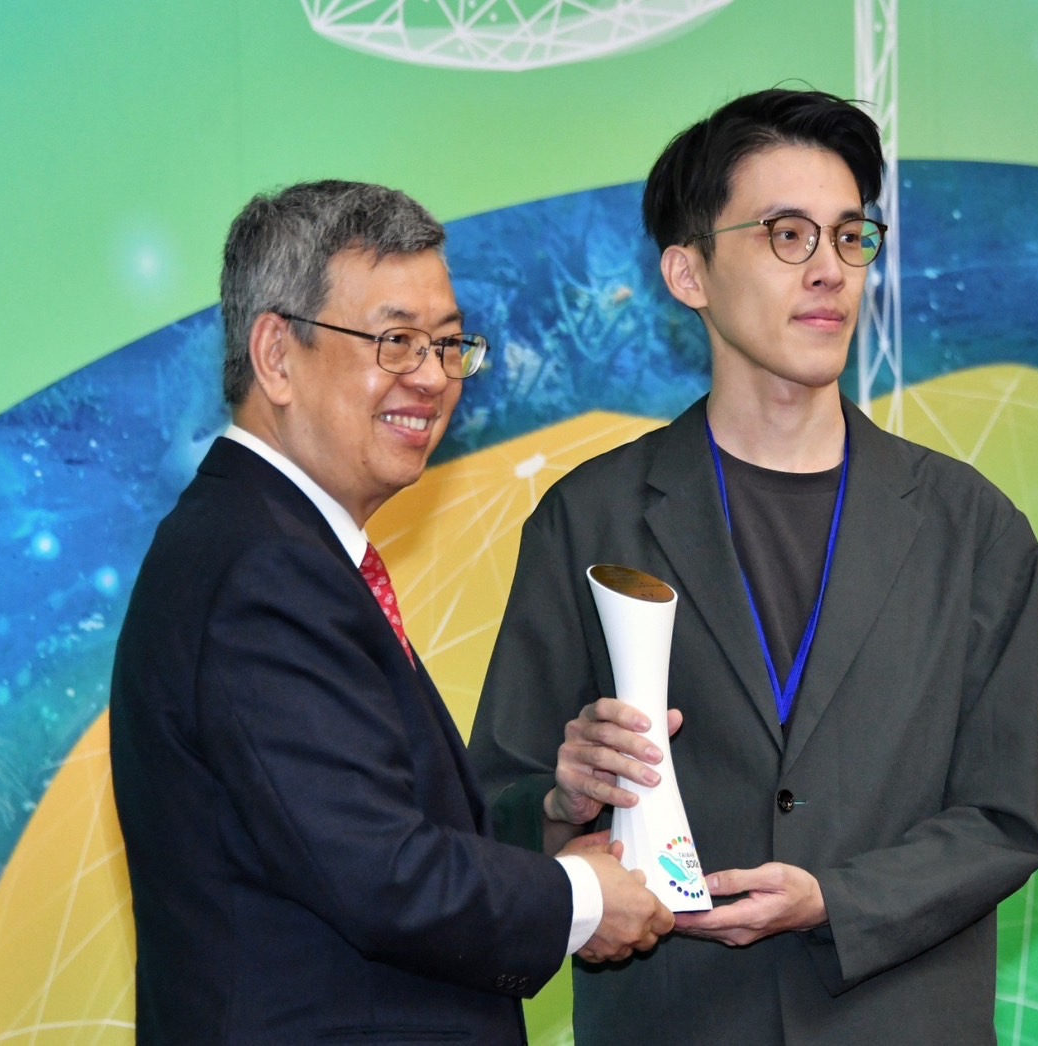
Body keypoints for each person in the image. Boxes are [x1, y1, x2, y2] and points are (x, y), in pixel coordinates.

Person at [468, 90, 1038, 1043]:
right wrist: (561, 803)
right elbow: (494, 808)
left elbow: (1005, 818)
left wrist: (837, 900)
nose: (829, 270)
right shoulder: (589, 517)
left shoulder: (973, 529)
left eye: (851, 237)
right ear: (688, 272)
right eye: (787, 235)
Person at [110, 180, 673, 1045]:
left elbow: (365, 825)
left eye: (448, 345)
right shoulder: (262, 569)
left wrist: (553, 815)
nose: (434, 378)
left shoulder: (273, 543)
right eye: (396, 341)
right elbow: (381, 871)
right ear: (276, 355)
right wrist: (583, 898)